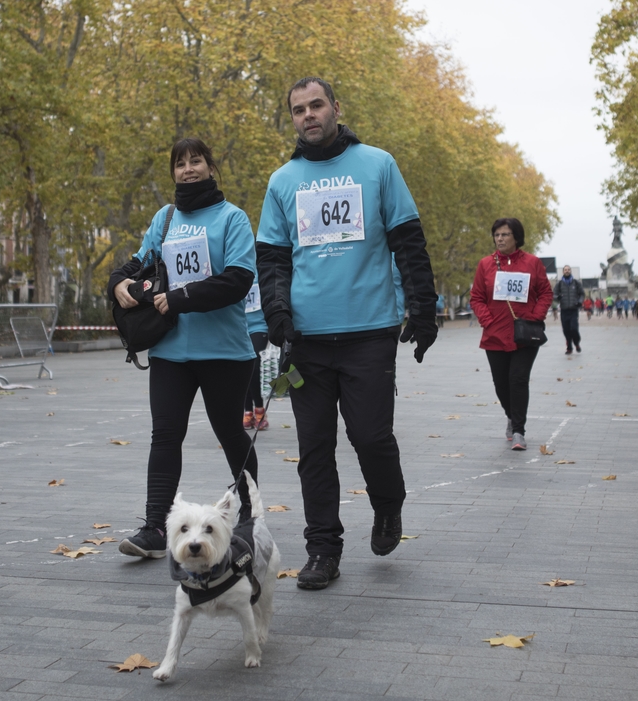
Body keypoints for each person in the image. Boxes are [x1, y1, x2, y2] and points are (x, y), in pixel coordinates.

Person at [256, 77, 438, 590]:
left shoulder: (378, 165)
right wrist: (277, 314)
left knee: (371, 438)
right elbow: (271, 259)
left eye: (316, 105)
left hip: (369, 333)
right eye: (298, 110)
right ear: (292, 118)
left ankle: (388, 505)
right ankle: (323, 549)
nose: (308, 115)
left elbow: (408, 242)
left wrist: (422, 310)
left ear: (336, 107)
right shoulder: (282, 181)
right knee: (314, 448)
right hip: (306, 341)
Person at [110, 138, 259, 560]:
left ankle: (249, 514)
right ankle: (156, 527)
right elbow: (138, 263)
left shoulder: (232, 218)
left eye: (196, 161)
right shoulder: (166, 217)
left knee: (230, 433)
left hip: (225, 352)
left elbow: (237, 280)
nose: (188, 169)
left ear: (211, 167)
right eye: (180, 163)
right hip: (171, 352)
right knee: (165, 435)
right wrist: (118, 282)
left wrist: (181, 297)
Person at [469, 218, 553, 452]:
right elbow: (476, 297)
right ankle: (511, 415)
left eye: (505, 234)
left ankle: (518, 431)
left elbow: (545, 293)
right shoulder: (485, 264)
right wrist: (487, 320)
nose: (500, 239)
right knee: (501, 384)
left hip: (525, 334)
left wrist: (536, 316)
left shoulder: (532, 263)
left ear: (516, 237)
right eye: (497, 235)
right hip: (494, 335)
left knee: (518, 380)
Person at [242, 279, 270, 431]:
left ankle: (259, 408)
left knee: (254, 363)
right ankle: (247, 411)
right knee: (242, 366)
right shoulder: (234, 266)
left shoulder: (261, 268)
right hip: (239, 325)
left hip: (259, 326)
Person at [553, 265, 584, 354]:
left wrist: (579, 301)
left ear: (570, 271)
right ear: (563, 272)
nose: (567, 271)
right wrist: (557, 297)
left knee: (574, 329)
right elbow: (553, 294)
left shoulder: (576, 283)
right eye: (565, 270)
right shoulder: (559, 284)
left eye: (568, 270)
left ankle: (576, 343)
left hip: (573, 310)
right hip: (564, 310)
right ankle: (569, 347)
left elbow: (582, 294)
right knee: (566, 330)